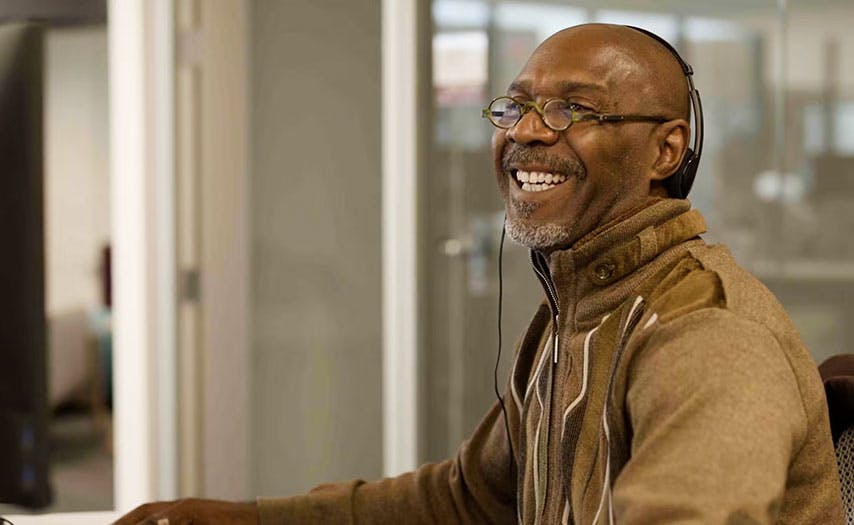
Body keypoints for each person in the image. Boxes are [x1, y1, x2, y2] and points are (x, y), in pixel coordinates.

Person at [116, 23, 844, 524]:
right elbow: (465, 500)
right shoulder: (579, 309)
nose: (527, 130)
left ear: (666, 151)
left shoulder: (705, 332)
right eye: (517, 105)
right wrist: (240, 518)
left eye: (572, 109)